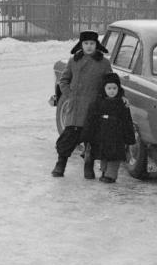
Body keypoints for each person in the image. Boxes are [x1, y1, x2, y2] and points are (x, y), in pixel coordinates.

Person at [51, 31, 112, 178]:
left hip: (93, 108)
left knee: (91, 139)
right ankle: (60, 164)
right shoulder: (74, 61)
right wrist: (70, 94)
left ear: (97, 45)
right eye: (86, 43)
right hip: (76, 107)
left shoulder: (103, 63)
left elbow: (110, 83)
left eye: (92, 43)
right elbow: (63, 81)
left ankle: (88, 166)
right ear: (81, 45)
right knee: (68, 137)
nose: (89, 46)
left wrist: (104, 99)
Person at [81, 73, 136, 183]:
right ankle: (104, 172)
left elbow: (127, 121)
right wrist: (87, 135)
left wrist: (129, 137)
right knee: (104, 155)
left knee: (115, 156)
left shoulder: (122, 104)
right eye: (109, 88)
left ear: (118, 89)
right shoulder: (97, 102)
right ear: (104, 88)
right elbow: (90, 120)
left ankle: (111, 175)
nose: (112, 91)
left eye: (114, 88)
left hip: (117, 136)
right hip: (102, 134)